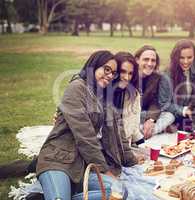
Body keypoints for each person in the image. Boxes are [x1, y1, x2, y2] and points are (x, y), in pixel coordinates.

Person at [36, 50, 137, 200]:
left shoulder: (104, 95)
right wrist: (104, 170)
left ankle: (64, 194)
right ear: (93, 66)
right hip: (59, 160)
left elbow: (118, 131)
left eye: (113, 73)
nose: (110, 75)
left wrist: (132, 160)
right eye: (106, 69)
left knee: (119, 191)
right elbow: (86, 137)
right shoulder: (77, 88)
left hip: (83, 166)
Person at [134, 45, 175, 139]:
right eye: (146, 59)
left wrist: (151, 119)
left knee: (169, 115)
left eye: (153, 60)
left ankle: (144, 132)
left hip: (145, 114)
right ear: (137, 60)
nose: (149, 63)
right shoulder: (129, 75)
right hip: (130, 114)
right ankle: (144, 132)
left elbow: (155, 102)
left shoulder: (156, 78)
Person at [113, 52, 144, 146]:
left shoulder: (134, 95)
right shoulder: (103, 93)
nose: (126, 78)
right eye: (122, 71)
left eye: (130, 73)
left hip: (126, 147)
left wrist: (142, 144)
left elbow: (134, 128)